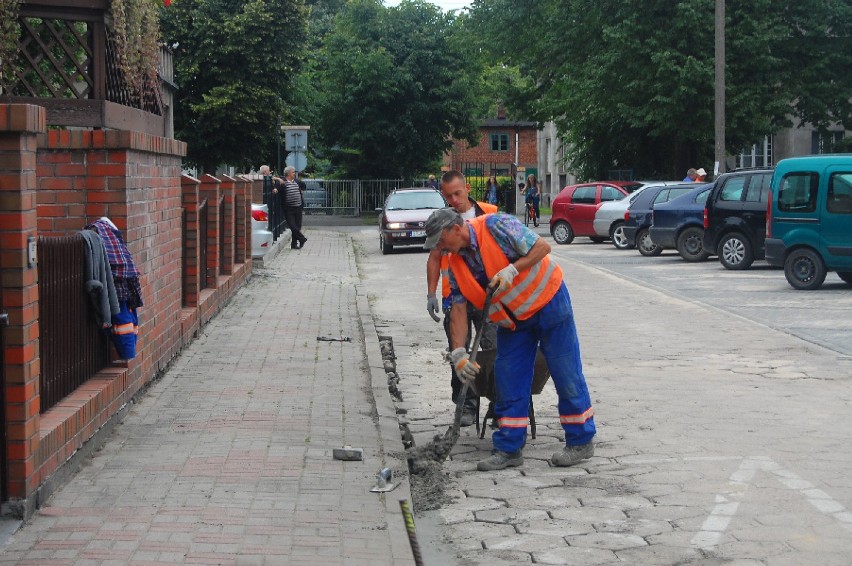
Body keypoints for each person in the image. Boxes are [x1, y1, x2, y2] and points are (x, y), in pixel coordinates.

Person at [423, 207, 596, 472]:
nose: (440, 249)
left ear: (455, 229)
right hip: (514, 323)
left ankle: (581, 441)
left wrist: (512, 270)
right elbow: (457, 308)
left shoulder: (496, 225)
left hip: (549, 304)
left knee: (566, 373)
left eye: (441, 241)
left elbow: (541, 247)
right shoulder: (455, 264)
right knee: (508, 378)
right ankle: (508, 449)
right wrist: (458, 353)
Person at [426, 170, 497, 426]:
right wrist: (430, 293)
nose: (454, 200)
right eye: (448, 196)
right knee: (460, 350)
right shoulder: (442, 221)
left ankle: (498, 405)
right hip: (456, 297)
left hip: (488, 296)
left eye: (458, 193)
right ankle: (466, 405)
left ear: (467, 188)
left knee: (492, 350)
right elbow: (434, 257)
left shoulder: (489, 213)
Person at [273, 166, 307, 249]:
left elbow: (304, 185)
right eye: (293, 172)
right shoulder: (283, 182)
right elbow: (277, 188)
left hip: (298, 207)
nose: (294, 174)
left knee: (298, 226)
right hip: (289, 208)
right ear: (288, 174)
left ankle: (294, 244)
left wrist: (301, 190)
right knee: (292, 225)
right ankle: (302, 238)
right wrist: (275, 190)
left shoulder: (297, 181)